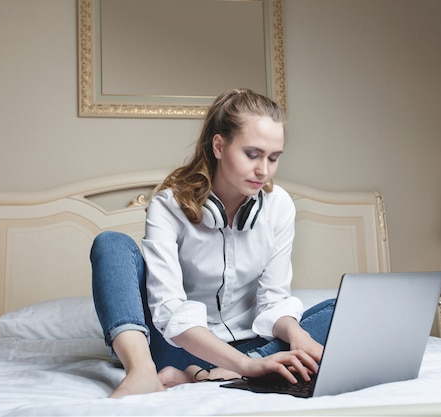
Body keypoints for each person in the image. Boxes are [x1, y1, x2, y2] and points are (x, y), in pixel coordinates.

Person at [90, 88, 336, 398]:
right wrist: (248, 367)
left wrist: (296, 334)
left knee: (338, 310)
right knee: (111, 243)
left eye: (274, 158)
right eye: (252, 154)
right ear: (219, 146)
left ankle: (214, 374)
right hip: (176, 346)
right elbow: (169, 312)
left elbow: (273, 300)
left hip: (252, 344)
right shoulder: (168, 206)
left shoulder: (279, 206)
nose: (264, 170)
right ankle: (142, 372)